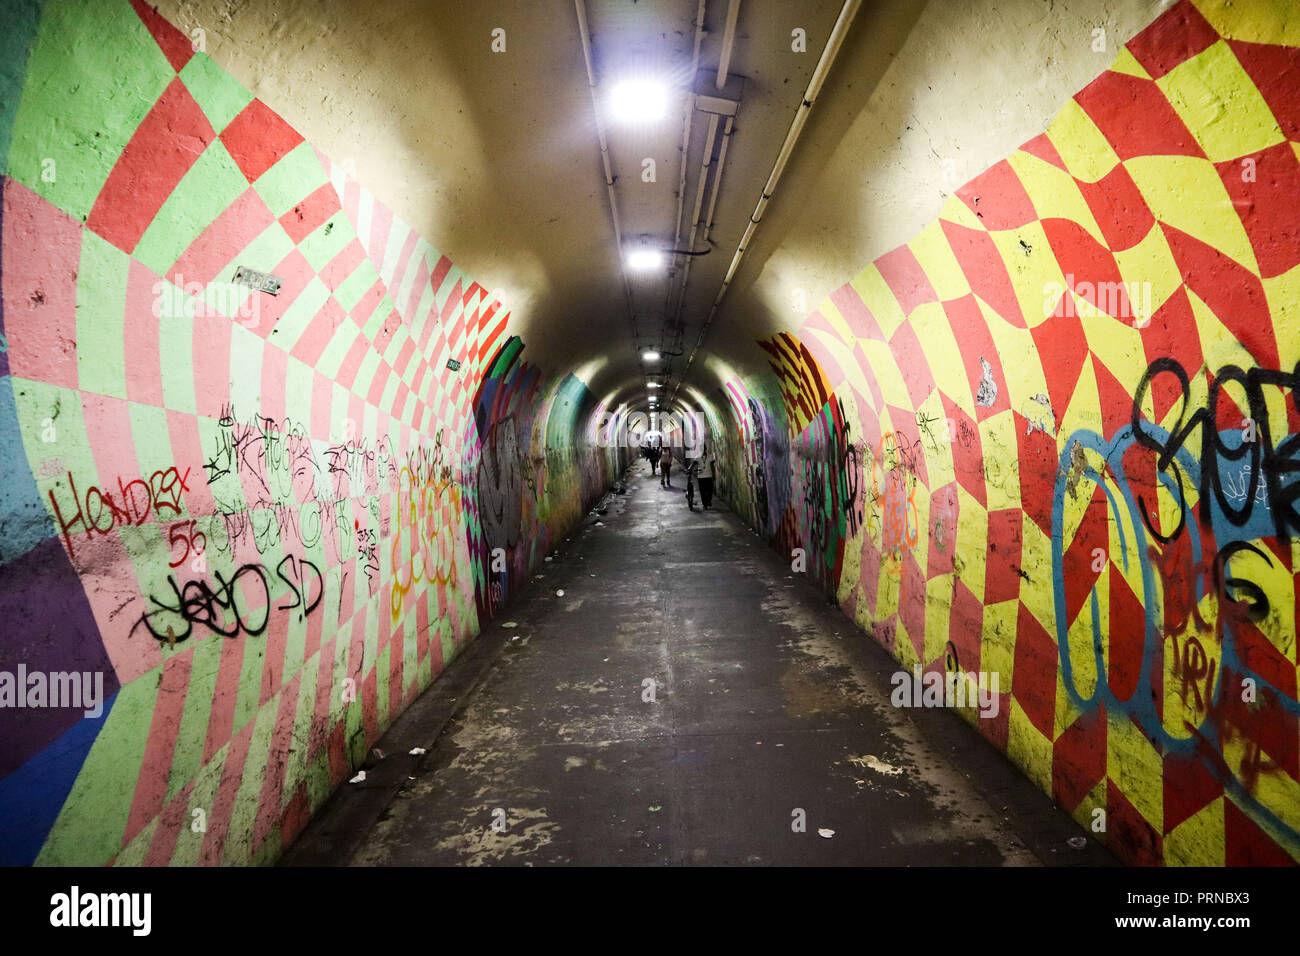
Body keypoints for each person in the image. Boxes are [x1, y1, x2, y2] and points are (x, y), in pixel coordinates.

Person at [697, 442, 716, 509]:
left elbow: (712, 466)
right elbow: (693, 464)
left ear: (705, 449)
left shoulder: (710, 456)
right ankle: (705, 504)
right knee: (702, 491)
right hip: (701, 476)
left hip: (709, 476)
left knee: (710, 491)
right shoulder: (697, 457)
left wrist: (714, 474)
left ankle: (708, 501)